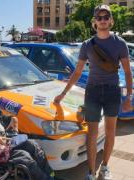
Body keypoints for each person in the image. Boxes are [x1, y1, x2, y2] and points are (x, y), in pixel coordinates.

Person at [54, 4, 133, 180]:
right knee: (92, 133)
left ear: (111, 21)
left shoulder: (120, 44)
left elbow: (127, 72)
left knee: (110, 132)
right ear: (94, 22)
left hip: (113, 91)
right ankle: (90, 172)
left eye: (106, 17)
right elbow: (77, 71)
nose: (103, 20)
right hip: (93, 92)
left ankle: (104, 167)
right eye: (100, 17)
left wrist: (129, 96)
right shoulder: (87, 45)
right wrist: (63, 94)